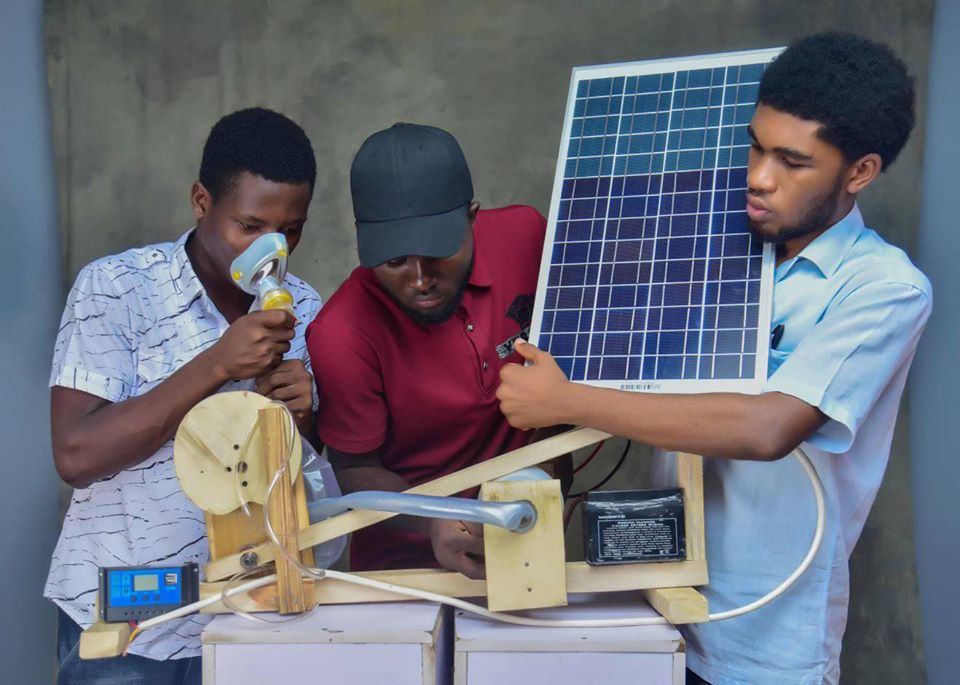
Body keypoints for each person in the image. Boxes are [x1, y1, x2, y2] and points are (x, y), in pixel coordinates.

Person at [496, 33, 931, 685]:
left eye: (792, 161)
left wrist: (567, 399)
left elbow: (767, 428)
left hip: (768, 644)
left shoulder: (882, 288)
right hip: (663, 607)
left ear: (859, 171)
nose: (758, 175)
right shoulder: (708, 242)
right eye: (755, 146)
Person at [48, 107, 322, 683]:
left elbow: (312, 481)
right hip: (126, 632)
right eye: (249, 228)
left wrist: (307, 416)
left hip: (255, 623)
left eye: (290, 230)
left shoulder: (308, 306)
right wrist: (217, 364)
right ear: (201, 201)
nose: (272, 250)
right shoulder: (116, 287)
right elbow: (76, 455)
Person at [307, 123, 554, 578]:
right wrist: (430, 519)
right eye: (394, 260)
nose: (419, 280)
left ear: (472, 217)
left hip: (531, 543)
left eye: (437, 251)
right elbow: (353, 467)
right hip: (405, 569)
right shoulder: (341, 333)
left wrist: (543, 474)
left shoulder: (529, 238)